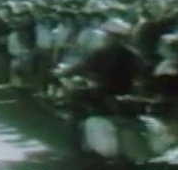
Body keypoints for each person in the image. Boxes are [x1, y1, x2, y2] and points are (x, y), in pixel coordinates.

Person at [55, 18, 147, 151]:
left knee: (74, 99)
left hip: (104, 92)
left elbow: (80, 67)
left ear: (112, 36)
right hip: (127, 94)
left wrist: (62, 73)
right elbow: (142, 75)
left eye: (107, 35)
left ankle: (76, 144)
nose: (105, 37)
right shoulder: (135, 54)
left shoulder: (102, 53)